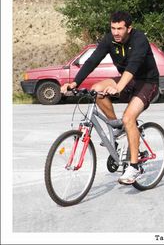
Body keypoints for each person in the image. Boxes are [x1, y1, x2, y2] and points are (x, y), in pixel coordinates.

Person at [61, 11, 159, 185]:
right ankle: (117, 127)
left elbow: (133, 65)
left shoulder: (139, 40)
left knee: (129, 117)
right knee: (96, 90)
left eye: (120, 28)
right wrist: (75, 83)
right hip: (126, 81)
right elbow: (92, 61)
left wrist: (118, 87)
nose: (116, 32)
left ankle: (134, 166)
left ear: (129, 28)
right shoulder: (109, 40)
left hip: (147, 83)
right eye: (113, 28)